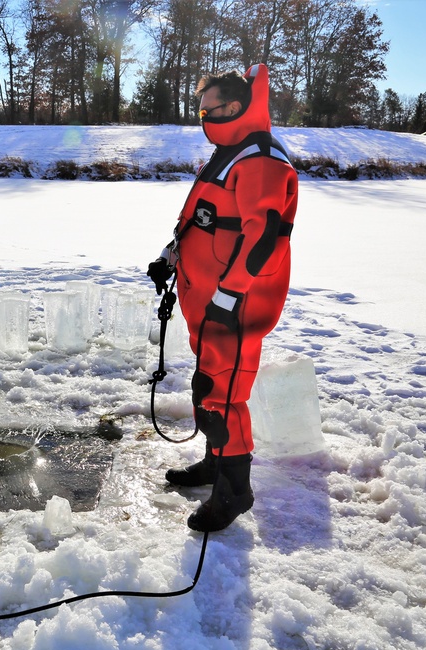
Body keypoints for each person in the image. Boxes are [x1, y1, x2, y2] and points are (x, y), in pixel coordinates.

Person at [147, 64, 298, 532]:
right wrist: (171, 256)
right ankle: (215, 462)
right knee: (209, 386)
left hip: (235, 306)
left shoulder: (260, 159)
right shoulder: (229, 152)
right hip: (207, 301)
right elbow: (203, 219)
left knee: (225, 394)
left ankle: (235, 491)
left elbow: (263, 238)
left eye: (205, 108)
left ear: (233, 107)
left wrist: (230, 296)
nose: (201, 116)